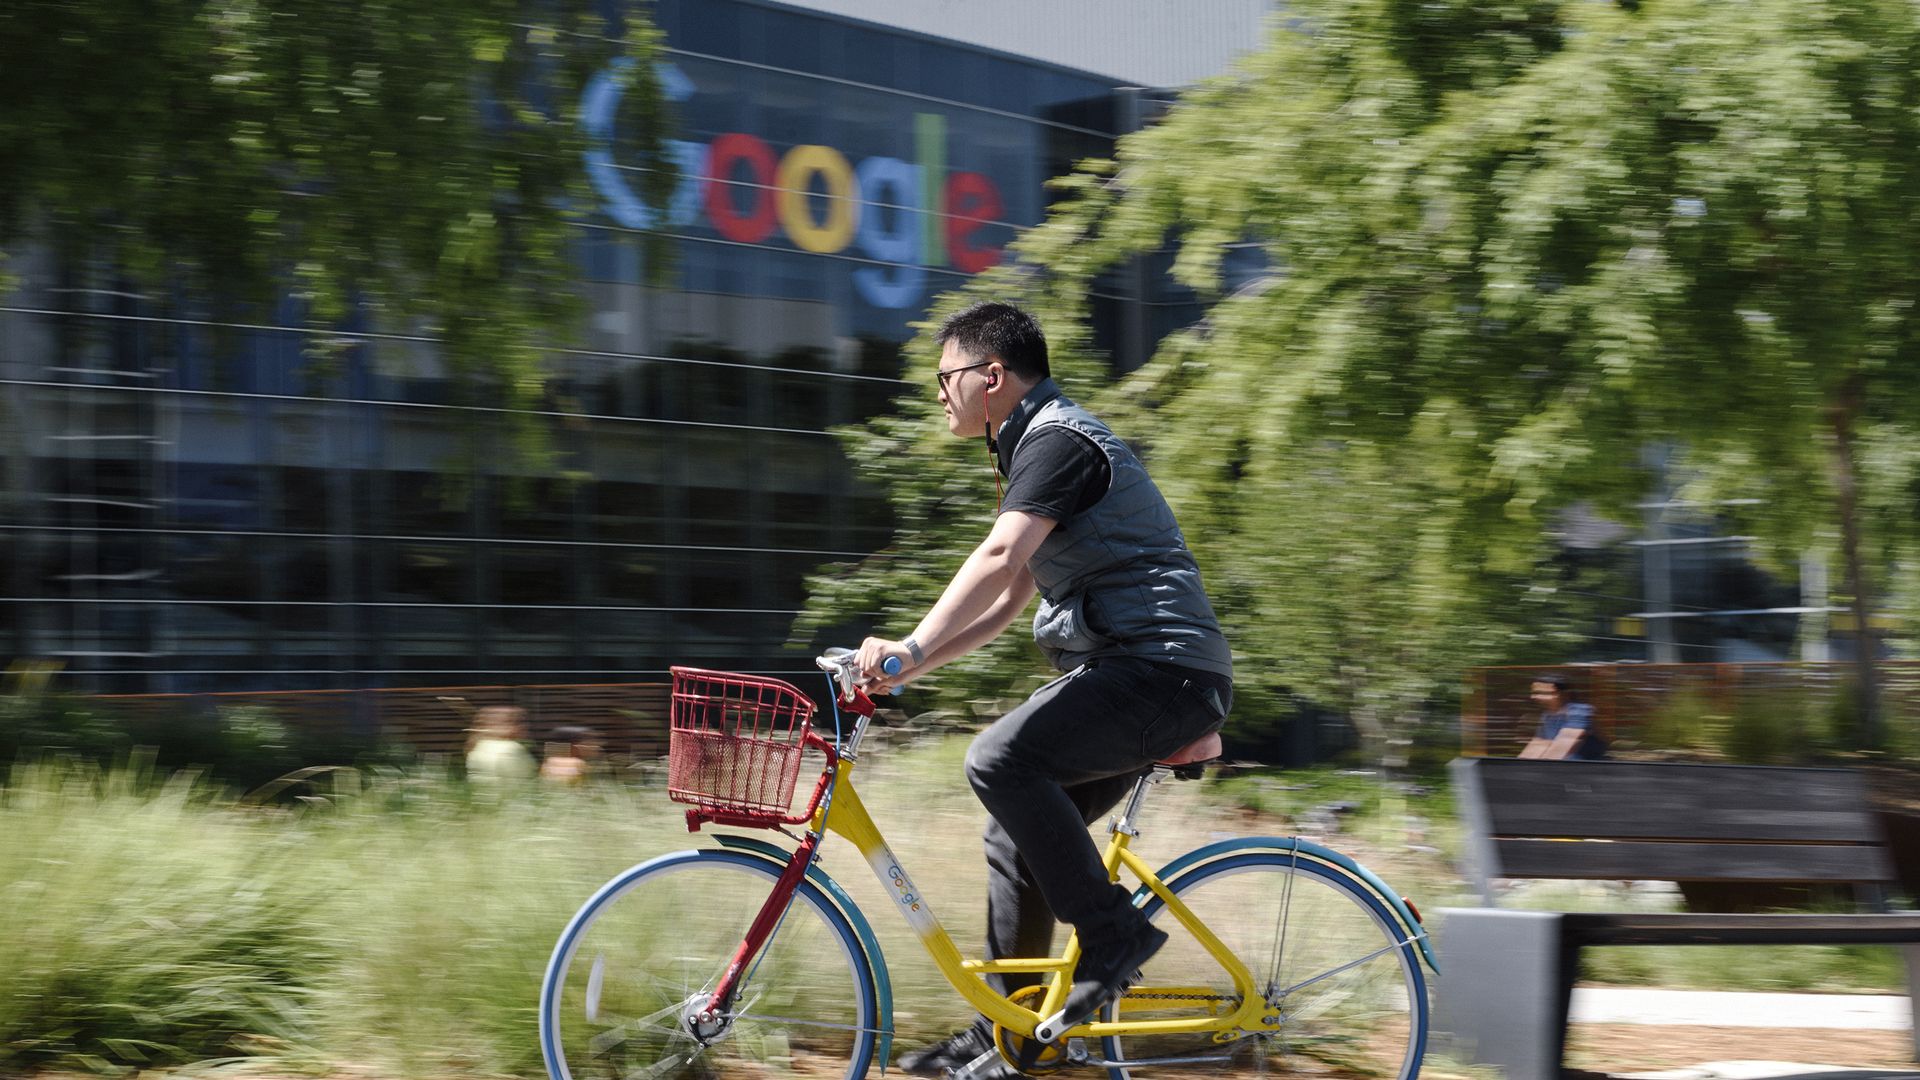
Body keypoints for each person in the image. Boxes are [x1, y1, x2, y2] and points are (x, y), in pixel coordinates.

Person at [855, 301, 1233, 1077]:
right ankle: (1012, 1035)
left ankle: (1113, 934)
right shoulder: (1035, 448)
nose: (939, 393)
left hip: (1161, 672)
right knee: (1014, 831)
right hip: (1140, 673)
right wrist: (907, 670)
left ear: (991, 377)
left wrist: (911, 642)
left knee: (997, 760)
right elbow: (1005, 605)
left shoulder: (1059, 441)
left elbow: (998, 559)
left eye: (945, 376)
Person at [1519, 674, 1608, 760]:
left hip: (1588, 770)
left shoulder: (1579, 711)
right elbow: (1538, 745)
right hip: (1564, 769)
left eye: (1540, 692)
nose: (1534, 697)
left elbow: (1562, 747)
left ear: (1558, 694)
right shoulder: (1548, 715)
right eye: (1534, 693)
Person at [465, 704, 537, 782]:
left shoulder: (477, 748)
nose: (525, 727)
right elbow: (525, 781)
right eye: (521, 722)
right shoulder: (511, 749)